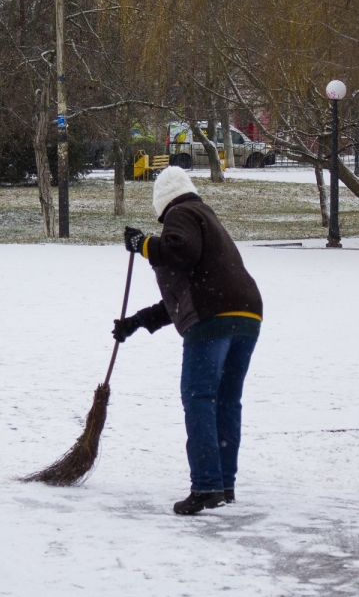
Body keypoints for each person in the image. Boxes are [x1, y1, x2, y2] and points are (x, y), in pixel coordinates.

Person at [113, 166, 264, 515]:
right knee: (226, 401)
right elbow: (186, 296)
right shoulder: (206, 220)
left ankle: (207, 487)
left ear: (161, 204)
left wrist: (143, 245)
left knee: (199, 398)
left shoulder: (181, 212)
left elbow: (179, 252)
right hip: (246, 315)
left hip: (214, 319)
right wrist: (137, 322)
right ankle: (223, 486)